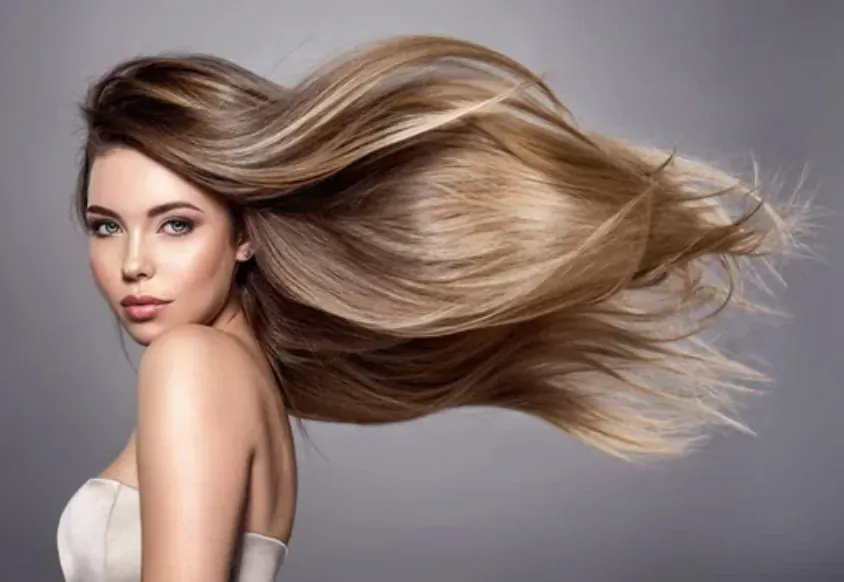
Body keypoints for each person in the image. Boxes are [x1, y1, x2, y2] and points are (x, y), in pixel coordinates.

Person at [55, 34, 809, 582]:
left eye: (175, 223)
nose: (133, 264)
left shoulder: (190, 364)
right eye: (105, 226)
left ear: (245, 232)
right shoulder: (243, 377)